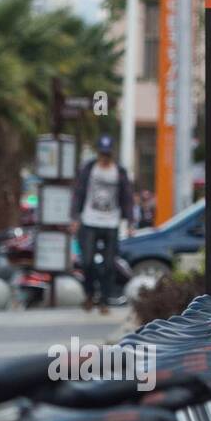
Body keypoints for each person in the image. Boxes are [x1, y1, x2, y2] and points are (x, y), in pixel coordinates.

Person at [69, 134, 134, 314]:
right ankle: (90, 294)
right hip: (89, 221)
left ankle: (104, 301)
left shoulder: (119, 172)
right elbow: (79, 193)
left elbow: (127, 198)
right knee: (87, 262)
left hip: (111, 222)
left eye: (107, 154)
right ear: (98, 153)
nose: (104, 157)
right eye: (102, 153)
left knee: (108, 265)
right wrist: (75, 218)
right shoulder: (89, 169)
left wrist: (130, 222)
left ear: (111, 153)